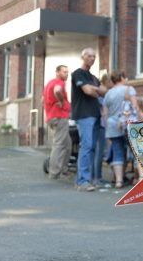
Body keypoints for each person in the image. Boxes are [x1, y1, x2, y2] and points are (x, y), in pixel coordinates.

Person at [71, 48, 106, 192]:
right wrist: (96, 89)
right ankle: (82, 181)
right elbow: (88, 91)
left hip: (95, 114)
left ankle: (85, 179)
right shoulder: (78, 73)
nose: (92, 58)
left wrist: (95, 89)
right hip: (84, 115)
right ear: (82, 57)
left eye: (94, 56)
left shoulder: (93, 77)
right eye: (89, 56)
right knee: (86, 146)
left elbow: (104, 91)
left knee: (91, 148)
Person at [103, 70, 137, 189]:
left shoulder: (108, 93)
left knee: (117, 151)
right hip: (128, 123)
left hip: (112, 124)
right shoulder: (129, 89)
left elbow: (105, 113)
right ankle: (138, 178)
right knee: (135, 151)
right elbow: (134, 107)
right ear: (122, 78)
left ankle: (119, 181)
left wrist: (108, 126)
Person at [43, 65, 72, 180]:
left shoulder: (49, 83)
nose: (66, 74)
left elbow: (42, 99)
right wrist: (61, 101)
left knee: (67, 144)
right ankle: (54, 172)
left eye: (67, 72)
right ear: (57, 72)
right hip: (59, 117)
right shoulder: (59, 83)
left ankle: (64, 170)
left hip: (52, 117)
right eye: (64, 72)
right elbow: (57, 90)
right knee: (59, 145)